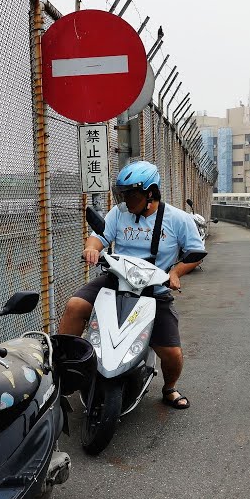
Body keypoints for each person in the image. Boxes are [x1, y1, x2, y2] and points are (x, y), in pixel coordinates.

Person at [57, 160, 205, 409]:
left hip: (154, 290)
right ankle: (62, 371)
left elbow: (196, 252)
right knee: (75, 306)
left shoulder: (178, 219)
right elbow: (98, 238)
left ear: (150, 192)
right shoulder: (119, 213)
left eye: (131, 195)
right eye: (122, 195)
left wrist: (176, 272)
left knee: (172, 354)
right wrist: (92, 250)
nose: (125, 201)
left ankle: (169, 388)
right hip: (116, 281)